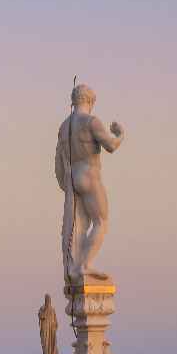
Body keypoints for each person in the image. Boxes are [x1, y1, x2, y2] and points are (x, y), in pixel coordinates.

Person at [55, 83, 124, 281]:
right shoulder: (91, 121)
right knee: (101, 221)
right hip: (89, 174)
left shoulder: (64, 127)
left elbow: (58, 161)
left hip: (73, 179)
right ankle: (85, 264)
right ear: (90, 101)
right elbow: (111, 146)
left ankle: (77, 264)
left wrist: (65, 185)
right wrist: (120, 134)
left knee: (79, 225)